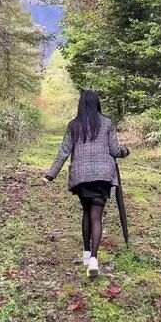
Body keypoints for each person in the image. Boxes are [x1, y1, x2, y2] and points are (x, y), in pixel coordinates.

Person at [44, 90, 130, 278]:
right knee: (96, 217)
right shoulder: (107, 123)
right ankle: (93, 259)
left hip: (81, 176)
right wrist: (125, 151)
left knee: (86, 212)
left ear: (81, 104)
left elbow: (64, 151)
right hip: (102, 175)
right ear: (97, 103)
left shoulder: (74, 125)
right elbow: (114, 150)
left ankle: (85, 253)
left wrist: (51, 175)